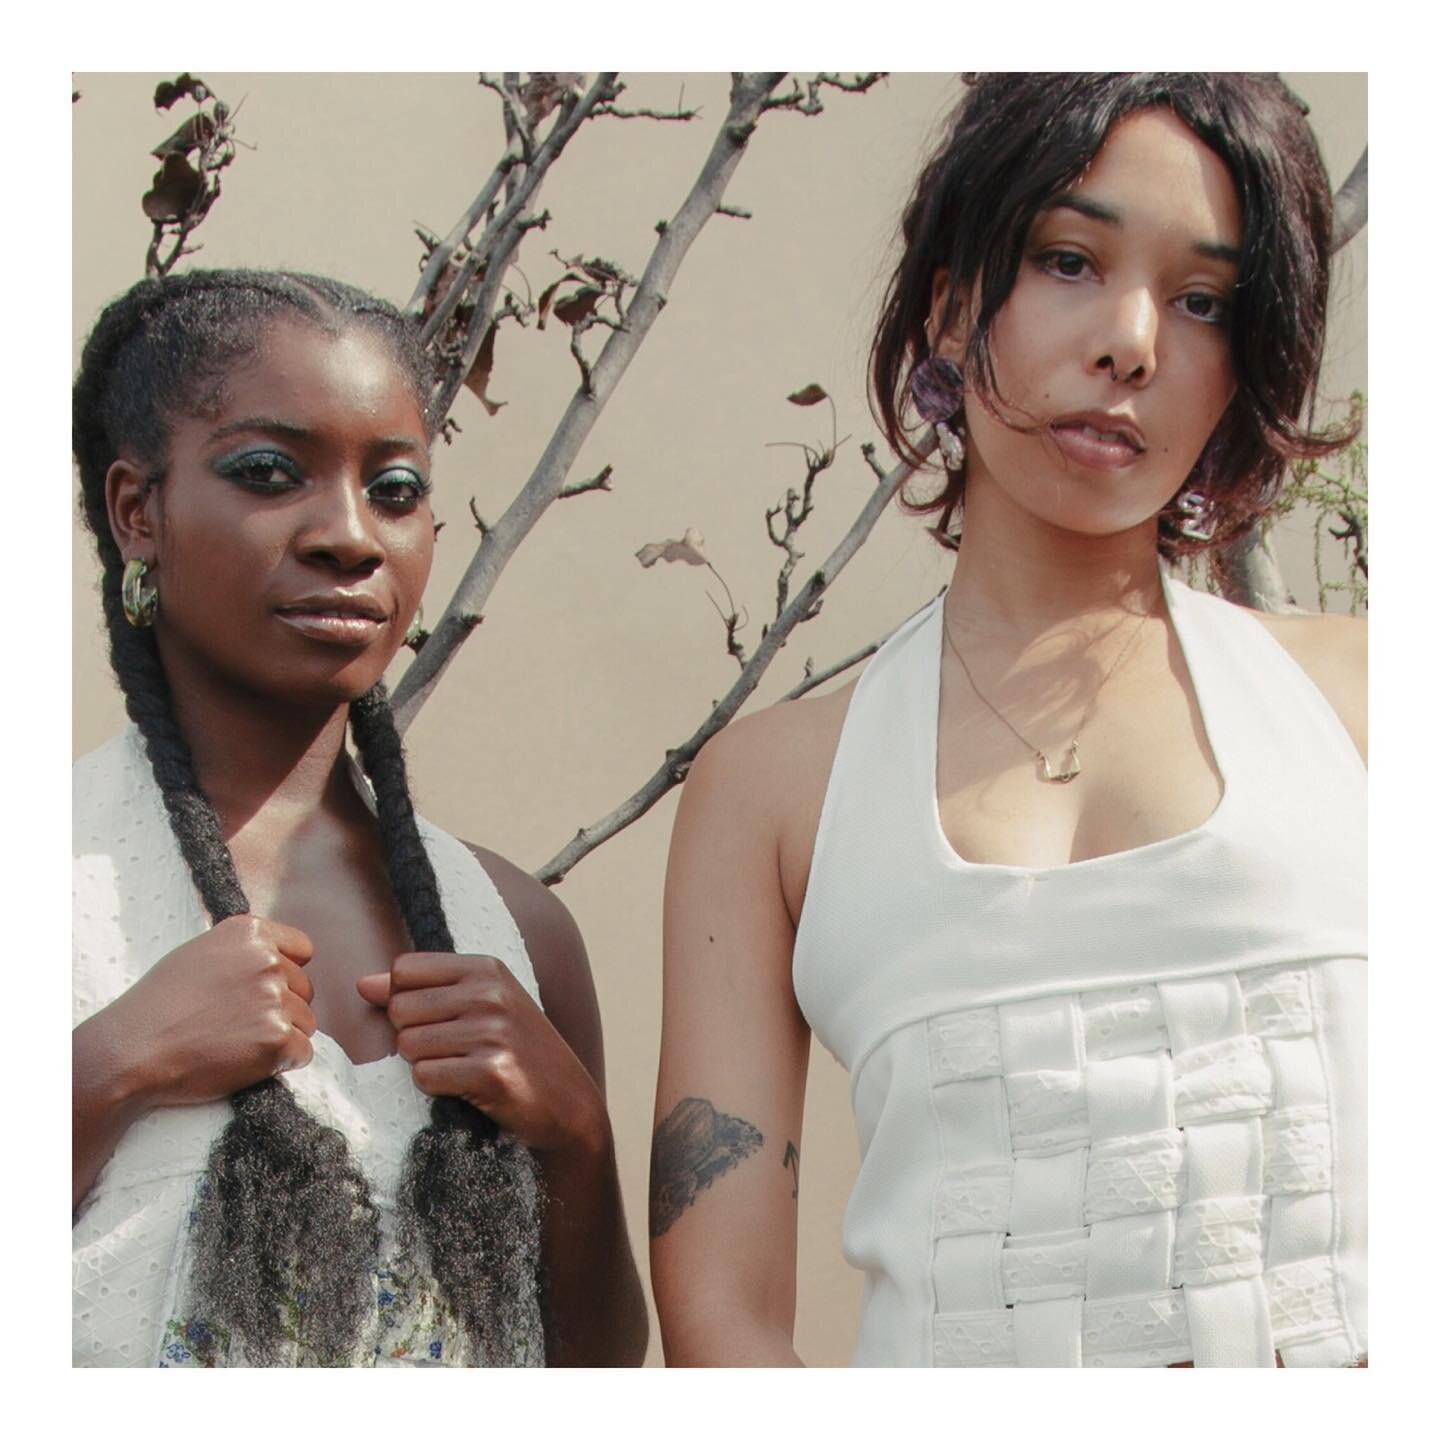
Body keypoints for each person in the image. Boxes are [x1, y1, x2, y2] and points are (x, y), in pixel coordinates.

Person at [650, 74, 1366, 1368]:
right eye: (1068, 259)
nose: (1132, 339)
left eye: (1203, 299)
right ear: (947, 301)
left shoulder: (1369, 700)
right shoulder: (772, 791)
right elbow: (723, 1315)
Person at [72, 269, 648, 1368]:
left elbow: (599, 1377)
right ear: (136, 512)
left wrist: (574, 1139)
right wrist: (112, 1066)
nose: (350, 535)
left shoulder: (517, 930)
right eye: (267, 473)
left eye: (393, 488)